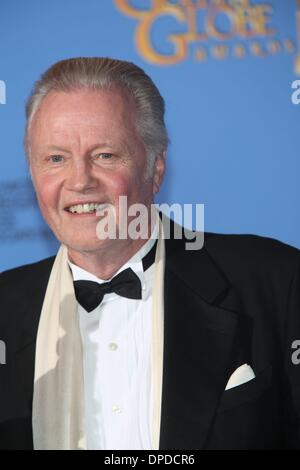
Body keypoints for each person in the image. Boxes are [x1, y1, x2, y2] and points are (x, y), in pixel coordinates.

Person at [0, 57, 300, 450]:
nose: (79, 181)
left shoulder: (275, 281)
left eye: (105, 155)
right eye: (55, 159)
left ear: (155, 169)